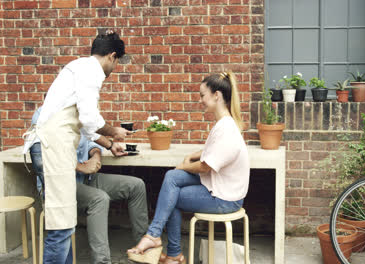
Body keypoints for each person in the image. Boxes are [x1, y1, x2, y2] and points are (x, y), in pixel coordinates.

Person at [22, 30, 132, 264]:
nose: (114, 68)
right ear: (112, 56)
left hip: (51, 145)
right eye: (117, 62)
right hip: (52, 145)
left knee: (65, 221)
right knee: (61, 225)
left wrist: (110, 144)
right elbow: (91, 119)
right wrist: (115, 131)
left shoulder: (80, 68)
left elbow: (86, 126)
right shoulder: (91, 72)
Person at [127, 72, 250, 264]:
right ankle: (160, 242)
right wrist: (194, 155)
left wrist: (185, 164)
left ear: (216, 95)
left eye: (202, 95)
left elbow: (205, 167)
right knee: (172, 177)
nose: (200, 100)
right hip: (218, 186)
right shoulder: (223, 124)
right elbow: (213, 152)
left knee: (172, 197)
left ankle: (165, 246)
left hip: (226, 198)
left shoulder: (226, 128)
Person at [29, 107, 149, 264]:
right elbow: (46, 157)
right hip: (61, 184)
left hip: (86, 178)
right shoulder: (45, 115)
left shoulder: (80, 111)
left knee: (136, 185)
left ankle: (144, 249)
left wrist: (96, 156)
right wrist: (80, 166)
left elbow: (91, 138)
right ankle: (102, 261)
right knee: (99, 199)